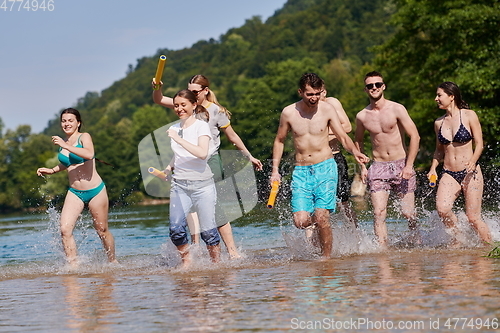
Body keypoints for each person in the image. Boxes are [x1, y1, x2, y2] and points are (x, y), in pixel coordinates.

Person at [153, 75, 262, 258]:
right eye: (190, 91)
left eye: (195, 92)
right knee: (192, 207)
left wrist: (249, 155)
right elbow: (159, 99)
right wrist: (157, 87)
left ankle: (232, 251)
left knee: (214, 208)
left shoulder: (216, 111)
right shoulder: (184, 105)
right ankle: (196, 248)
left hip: (209, 161)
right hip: (187, 163)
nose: (192, 95)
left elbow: (232, 136)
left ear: (205, 91)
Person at [271, 73, 369, 259]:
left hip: (326, 167)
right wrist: (275, 171)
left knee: (322, 216)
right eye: (309, 94)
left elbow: (342, 135)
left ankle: (326, 260)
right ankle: (320, 229)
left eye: (317, 93)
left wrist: (355, 153)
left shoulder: (327, 109)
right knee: (300, 221)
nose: (314, 98)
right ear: (300, 92)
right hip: (301, 171)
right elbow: (279, 140)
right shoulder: (289, 112)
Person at [36, 108, 117, 266]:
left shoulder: (83, 137)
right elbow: (68, 163)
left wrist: (65, 146)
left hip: (95, 191)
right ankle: (73, 266)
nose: (67, 124)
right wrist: (52, 170)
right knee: (65, 230)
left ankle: (113, 262)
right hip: (74, 192)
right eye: (64, 121)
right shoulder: (64, 143)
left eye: (70, 120)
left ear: (78, 123)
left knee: (102, 230)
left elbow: (89, 154)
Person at [355, 71, 420, 248]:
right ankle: (383, 251)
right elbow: (358, 141)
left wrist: (409, 165)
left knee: (408, 212)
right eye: (370, 86)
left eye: (377, 84)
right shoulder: (362, 116)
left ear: (383, 86)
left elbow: (415, 136)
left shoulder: (397, 109)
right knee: (379, 212)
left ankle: (417, 240)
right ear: (365, 89)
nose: (374, 88)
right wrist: (362, 167)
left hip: (401, 164)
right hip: (378, 167)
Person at [428, 82, 491, 245]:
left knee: (473, 218)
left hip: (471, 172)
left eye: (439, 95)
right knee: (442, 209)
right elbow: (439, 150)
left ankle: (489, 248)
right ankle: (459, 237)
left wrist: (472, 161)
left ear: (451, 96)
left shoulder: (469, 115)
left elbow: (480, 143)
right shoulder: (438, 123)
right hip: (449, 172)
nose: (436, 99)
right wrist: (433, 167)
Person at [163, 89, 221, 267]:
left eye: (183, 105)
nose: (179, 109)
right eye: (176, 106)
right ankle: (187, 262)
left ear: (194, 105)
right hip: (179, 185)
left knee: (208, 232)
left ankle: (216, 265)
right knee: (176, 229)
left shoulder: (201, 126)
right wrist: (169, 167)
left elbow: (202, 153)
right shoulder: (174, 128)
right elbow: (179, 154)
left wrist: (178, 139)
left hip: (203, 186)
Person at [322, 90, 359, 228]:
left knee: (342, 203)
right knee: (316, 205)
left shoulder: (332, 102)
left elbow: (347, 127)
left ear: (324, 92)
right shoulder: (307, 109)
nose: (315, 97)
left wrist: (320, 134)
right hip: (314, 162)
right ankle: (315, 243)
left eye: (318, 93)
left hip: (335, 156)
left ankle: (357, 237)